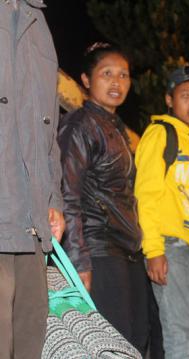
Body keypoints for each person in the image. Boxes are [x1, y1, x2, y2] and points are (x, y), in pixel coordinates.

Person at [58, 43, 149, 354]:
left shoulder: (117, 127)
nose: (116, 82)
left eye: (123, 75)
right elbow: (66, 195)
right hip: (98, 249)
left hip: (128, 249)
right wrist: (79, 261)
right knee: (113, 343)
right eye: (106, 74)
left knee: (137, 337)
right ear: (85, 79)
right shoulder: (79, 125)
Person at [0, 1, 65, 357]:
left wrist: (52, 198)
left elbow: (48, 128)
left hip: (30, 221)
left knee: (28, 342)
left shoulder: (39, 24)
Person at [135, 65, 189, 359]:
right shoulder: (160, 134)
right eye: (186, 95)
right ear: (169, 100)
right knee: (180, 335)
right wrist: (153, 249)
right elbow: (146, 194)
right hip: (169, 247)